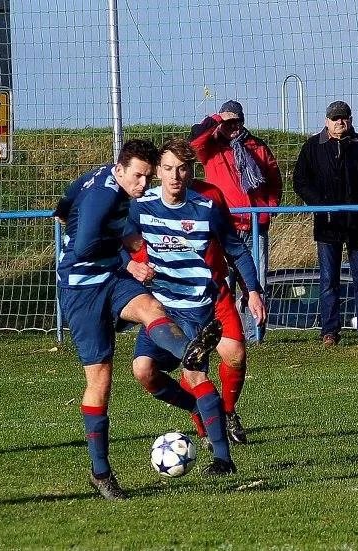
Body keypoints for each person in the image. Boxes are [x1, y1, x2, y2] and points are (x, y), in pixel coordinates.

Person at [53, 139, 223, 500]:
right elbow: (84, 248)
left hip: (110, 279)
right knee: (100, 380)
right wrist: (126, 250)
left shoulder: (101, 176)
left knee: (152, 309)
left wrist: (89, 226)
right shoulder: (102, 197)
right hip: (82, 291)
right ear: (120, 169)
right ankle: (100, 473)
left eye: (147, 176)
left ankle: (188, 350)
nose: (143, 184)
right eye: (138, 177)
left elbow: (64, 206)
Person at [125, 138, 267, 474]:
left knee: (194, 372)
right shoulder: (140, 206)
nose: (175, 176)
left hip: (196, 307)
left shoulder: (206, 207)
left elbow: (236, 249)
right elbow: (117, 241)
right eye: (168, 168)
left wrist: (253, 290)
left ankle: (222, 459)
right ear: (158, 171)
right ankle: (200, 408)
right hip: (160, 308)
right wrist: (131, 265)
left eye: (182, 169)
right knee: (143, 371)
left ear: (191, 172)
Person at [293, 100, 358, 346]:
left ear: (351, 120)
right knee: (328, 281)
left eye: (344, 117)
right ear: (327, 121)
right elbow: (300, 181)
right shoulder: (312, 147)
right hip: (327, 226)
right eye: (335, 118)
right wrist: (320, 204)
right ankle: (329, 332)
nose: (340, 122)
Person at [190, 100, 283, 342]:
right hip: (223, 226)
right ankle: (225, 336)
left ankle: (254, 336)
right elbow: (194, 140)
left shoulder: (257, 146)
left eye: (237, 121)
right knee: (223, 282)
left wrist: (266, 210)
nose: (233, 126)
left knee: (255, 283)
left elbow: (274, 179)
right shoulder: (210, 147)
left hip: (254, 226)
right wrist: (217, 119)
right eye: (228, 122)